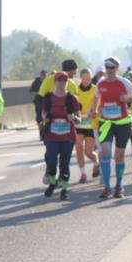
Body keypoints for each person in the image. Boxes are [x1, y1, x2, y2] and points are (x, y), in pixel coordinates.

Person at [90, 56, 132, 198]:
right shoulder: (101, 82)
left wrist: (128, 99)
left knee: (119, 156)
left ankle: (119, 186)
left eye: (112, 68)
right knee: (105, 152)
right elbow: (96, 97)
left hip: (122, 123)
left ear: (117, 68)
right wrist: (94, 109)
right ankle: (107, 188)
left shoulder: (124, 82)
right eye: (107, 67)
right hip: (106, 122)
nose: (109, 70)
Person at [35, 59, 80, 183]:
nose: (74, 75)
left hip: (67, 127)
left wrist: (75, 118)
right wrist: (41, 118)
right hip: (50, 124)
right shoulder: (49, 79)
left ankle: (61, 177)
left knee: (64, 157)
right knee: (50, 153)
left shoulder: (72, 84)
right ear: (70, 70)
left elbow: (77, 105)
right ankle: (49, 171)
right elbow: (40, 99)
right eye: (74, 72)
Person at [41, 72, 81, 200]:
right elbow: (43, 113)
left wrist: (73, 118)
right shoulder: (48, 97)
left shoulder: (72, 98)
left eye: (65, 80)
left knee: (64, 163)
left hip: (67, 137)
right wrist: (45, 117)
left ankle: (64, 189)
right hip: (52, 136)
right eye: (59, 80)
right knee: (51, 161)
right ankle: (53, 183)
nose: (62, 82)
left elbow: (79, 119)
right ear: (55, 81)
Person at [73, 68, 99, 183]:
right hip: (79, 123)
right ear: (80, 78)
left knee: (88, 152)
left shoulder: (95, 89)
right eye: (84, 78)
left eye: (88, 79)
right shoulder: (76, 90)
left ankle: (96, 162)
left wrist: (94, 111)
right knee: (79, 148)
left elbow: (99, 104)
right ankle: (83, 173)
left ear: (91, 78)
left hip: (91, 124)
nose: (86, 81)